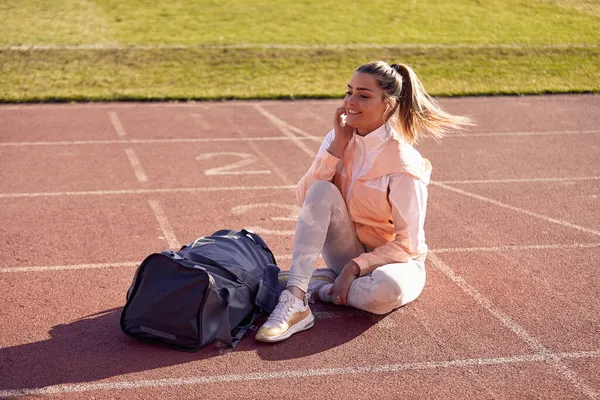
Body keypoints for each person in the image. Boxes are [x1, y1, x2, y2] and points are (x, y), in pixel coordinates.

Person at [255, 61, 471, 343]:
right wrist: (335, 149)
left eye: (363, 95)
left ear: (389, 105)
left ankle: (320, 286)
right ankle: (296, 299)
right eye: (349, 92)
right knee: (321, 189)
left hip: (394, 262)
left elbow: (410, 245)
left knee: (384, 292)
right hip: (347, 250)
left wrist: (355, 267)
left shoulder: (403, 164)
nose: (350, 102)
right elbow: (304, 198)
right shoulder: (337, 139)